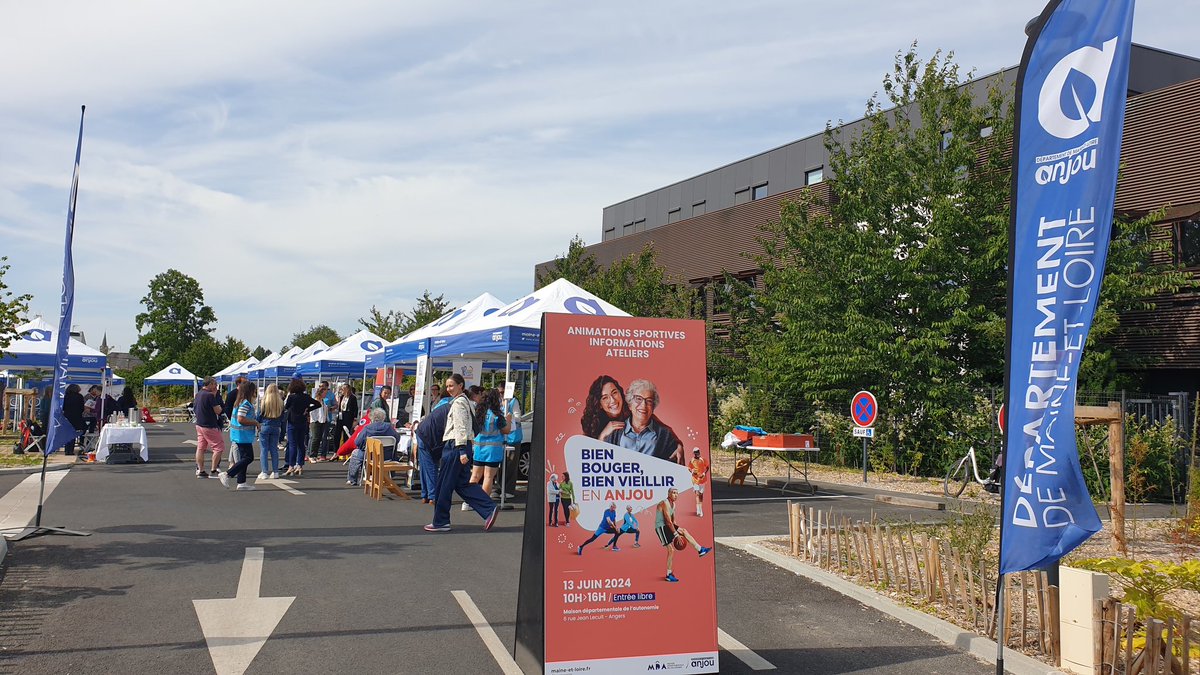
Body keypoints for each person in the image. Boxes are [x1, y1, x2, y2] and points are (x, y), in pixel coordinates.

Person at [424, 374, 498, 533]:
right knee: (462, 484)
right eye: (447, 386)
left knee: (443, 485)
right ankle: (488, 508)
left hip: (454, 447)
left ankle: (441, 521)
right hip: (460, 447)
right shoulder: (466, 402)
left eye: (452, 385)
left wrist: (461, 450)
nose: (449, 389)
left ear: (461, 385)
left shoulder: (458, 404)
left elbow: (460, 427)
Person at [604, 379, 685, 463]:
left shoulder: (665, 435)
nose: (643, 405)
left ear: (653, 408)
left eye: (649, 401)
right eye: (638, 399)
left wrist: (679, 446)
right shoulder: (615, 433)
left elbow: (676, 470)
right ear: (630, 405)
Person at [655, 487, 712, 582]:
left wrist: (679, 532)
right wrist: (676, 535)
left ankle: (700, 549)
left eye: (677, 493)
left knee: (684, 531)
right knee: (671, 550)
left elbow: (673, 521)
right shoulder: (664, 503)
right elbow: (668, 521)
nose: (675, 495)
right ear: (668, 494)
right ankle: (668, 575)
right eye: (673, 493)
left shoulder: (673, 505)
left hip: (668, 526)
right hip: (661, 527)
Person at [469, 387, 509, 501]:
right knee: (488, 477)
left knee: (475, 476)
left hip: (479, 448)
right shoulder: (496, 415)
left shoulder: (478, 412)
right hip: (493, 450)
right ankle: (484, 501)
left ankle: (469, 500)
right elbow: (506, 430)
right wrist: (509, 419)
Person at [347, 408, 403, 486]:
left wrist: (363, 446)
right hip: (386, 456)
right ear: (383, 417)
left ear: (372, 418)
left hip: (370, 456)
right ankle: (390, 475)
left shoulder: (367, 428)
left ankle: (352, 479)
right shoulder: (389, 427)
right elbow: (397, 438)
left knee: (355, 453)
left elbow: (357, 442)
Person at [222, 381, 260, 491]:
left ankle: (241, 482)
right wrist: (255, 423)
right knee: (248, 457)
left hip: (238, 434)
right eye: (254, 390)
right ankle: (228, 474)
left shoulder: (239, 402)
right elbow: (241, 419)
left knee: (244, 457)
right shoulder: (246, 404)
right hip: (243, 435)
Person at [414, 391, 451, 504]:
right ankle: (433, 496)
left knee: (425, 466)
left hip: (423, 433)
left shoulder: (443, 404)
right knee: (431, 466)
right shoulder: (453, 408)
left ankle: (426, 495)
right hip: (429, 437)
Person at [283, 379, 321, 476]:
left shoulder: (291, 397)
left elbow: (286, 407)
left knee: (292, 444)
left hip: (292, 421)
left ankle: (291, 466)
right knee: (301, 444)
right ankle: (299, 465)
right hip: (303, 421)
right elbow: (318, 404)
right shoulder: (306, 397)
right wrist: (308, 410)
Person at [193, 377, 225, 477]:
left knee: (201, 447)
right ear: (210, 384)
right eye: (215, 384)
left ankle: (201, 470)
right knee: (218, 447)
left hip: (199, 424)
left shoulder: (198, 394)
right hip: (209, 425)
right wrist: (215, 397)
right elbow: (218, 410)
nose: (216, 386)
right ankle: (214, 469)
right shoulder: (210, 396)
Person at [256, 383, 285, 479]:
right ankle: (275, 472)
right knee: (274, 450)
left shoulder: (264, 401)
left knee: (264, 449)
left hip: (265, 426)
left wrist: (258, 422)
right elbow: (282, 417)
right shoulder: (280, 402)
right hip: (276, 427)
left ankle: (264, 472)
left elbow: (259, 415)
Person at [308, 381, 333, 462]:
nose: (326, 394)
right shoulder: (315, 401)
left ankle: (315, 455)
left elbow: (324, 411)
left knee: (318, 439)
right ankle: (311, 455)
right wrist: (315, 419)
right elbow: (312, 412)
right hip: (315, 421)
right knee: (315, 438)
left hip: (323, 421)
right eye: (325, 392)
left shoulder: (323, 401)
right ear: (321, 393)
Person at [61, 384, 87, 456]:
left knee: (67, 434)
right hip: (76, 417)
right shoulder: (79, 396)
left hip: (67, 417)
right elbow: (82, 408)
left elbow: (63, 408)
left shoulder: (65, 397)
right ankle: (71, 449)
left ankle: (67, 450)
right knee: (74, 433)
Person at [689, 448, 710, 517]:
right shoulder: (692, 460)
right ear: (694, 453)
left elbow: (707, 467)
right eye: (695, 452)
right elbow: (689, 468)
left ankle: (701, 509)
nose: (697, 453)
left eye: (698, 452)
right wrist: (692, 471)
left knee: (701, 495)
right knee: (697, 494)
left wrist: (704, 473)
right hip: (695, 480)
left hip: (702, 480)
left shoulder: (703, 459)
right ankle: (698, 511)